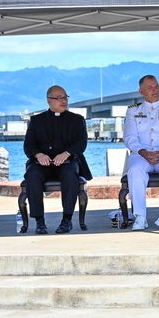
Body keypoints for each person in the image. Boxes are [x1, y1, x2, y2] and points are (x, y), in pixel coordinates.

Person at [23, 85, 92, 235]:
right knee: (32, 174)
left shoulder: (77, 120)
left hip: (67, 162)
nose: (63, 101)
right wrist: (38, 155)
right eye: (59, 98)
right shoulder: (36, 120)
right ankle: (39, 221)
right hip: (42, 163)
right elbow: (28, 146)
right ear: (49, 100)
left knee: (70, 174)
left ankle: (66, 220)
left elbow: (81, 143)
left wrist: (67, 153)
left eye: (65, 97)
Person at [123, 75, 159, 231]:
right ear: (141, 91)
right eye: (150, 88)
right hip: (141, 154)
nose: (155, 90)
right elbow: (129, 137)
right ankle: (140, 216)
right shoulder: (133, 111)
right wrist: (143, 152)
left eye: (156, 86)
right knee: (135, 170)